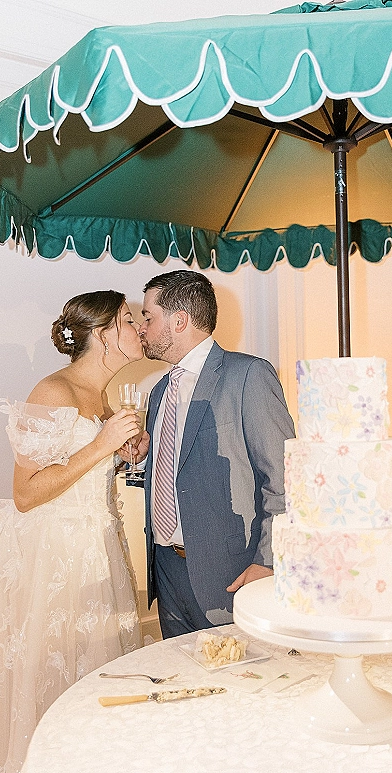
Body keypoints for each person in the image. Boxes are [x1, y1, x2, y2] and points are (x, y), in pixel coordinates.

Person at [0, 290, 147, 773]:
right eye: (129, 321)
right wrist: (101, 448)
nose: (138, 329)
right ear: (105, 335)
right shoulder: (53, 391)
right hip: (54, 555)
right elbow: (27, 492)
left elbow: (83, 470)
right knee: (50, 677)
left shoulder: (102, 395)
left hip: (98, 546)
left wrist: (122, 453)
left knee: (92, 676)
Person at [139, 270, 295, 638]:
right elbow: (176, 473)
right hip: (166, 570)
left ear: (180, 321)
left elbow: (288, 479)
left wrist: (270, 561)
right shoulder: (160, 391)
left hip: (231, 571)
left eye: (148, 316)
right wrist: (139, 460)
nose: (142, 327)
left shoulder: (249, 376)